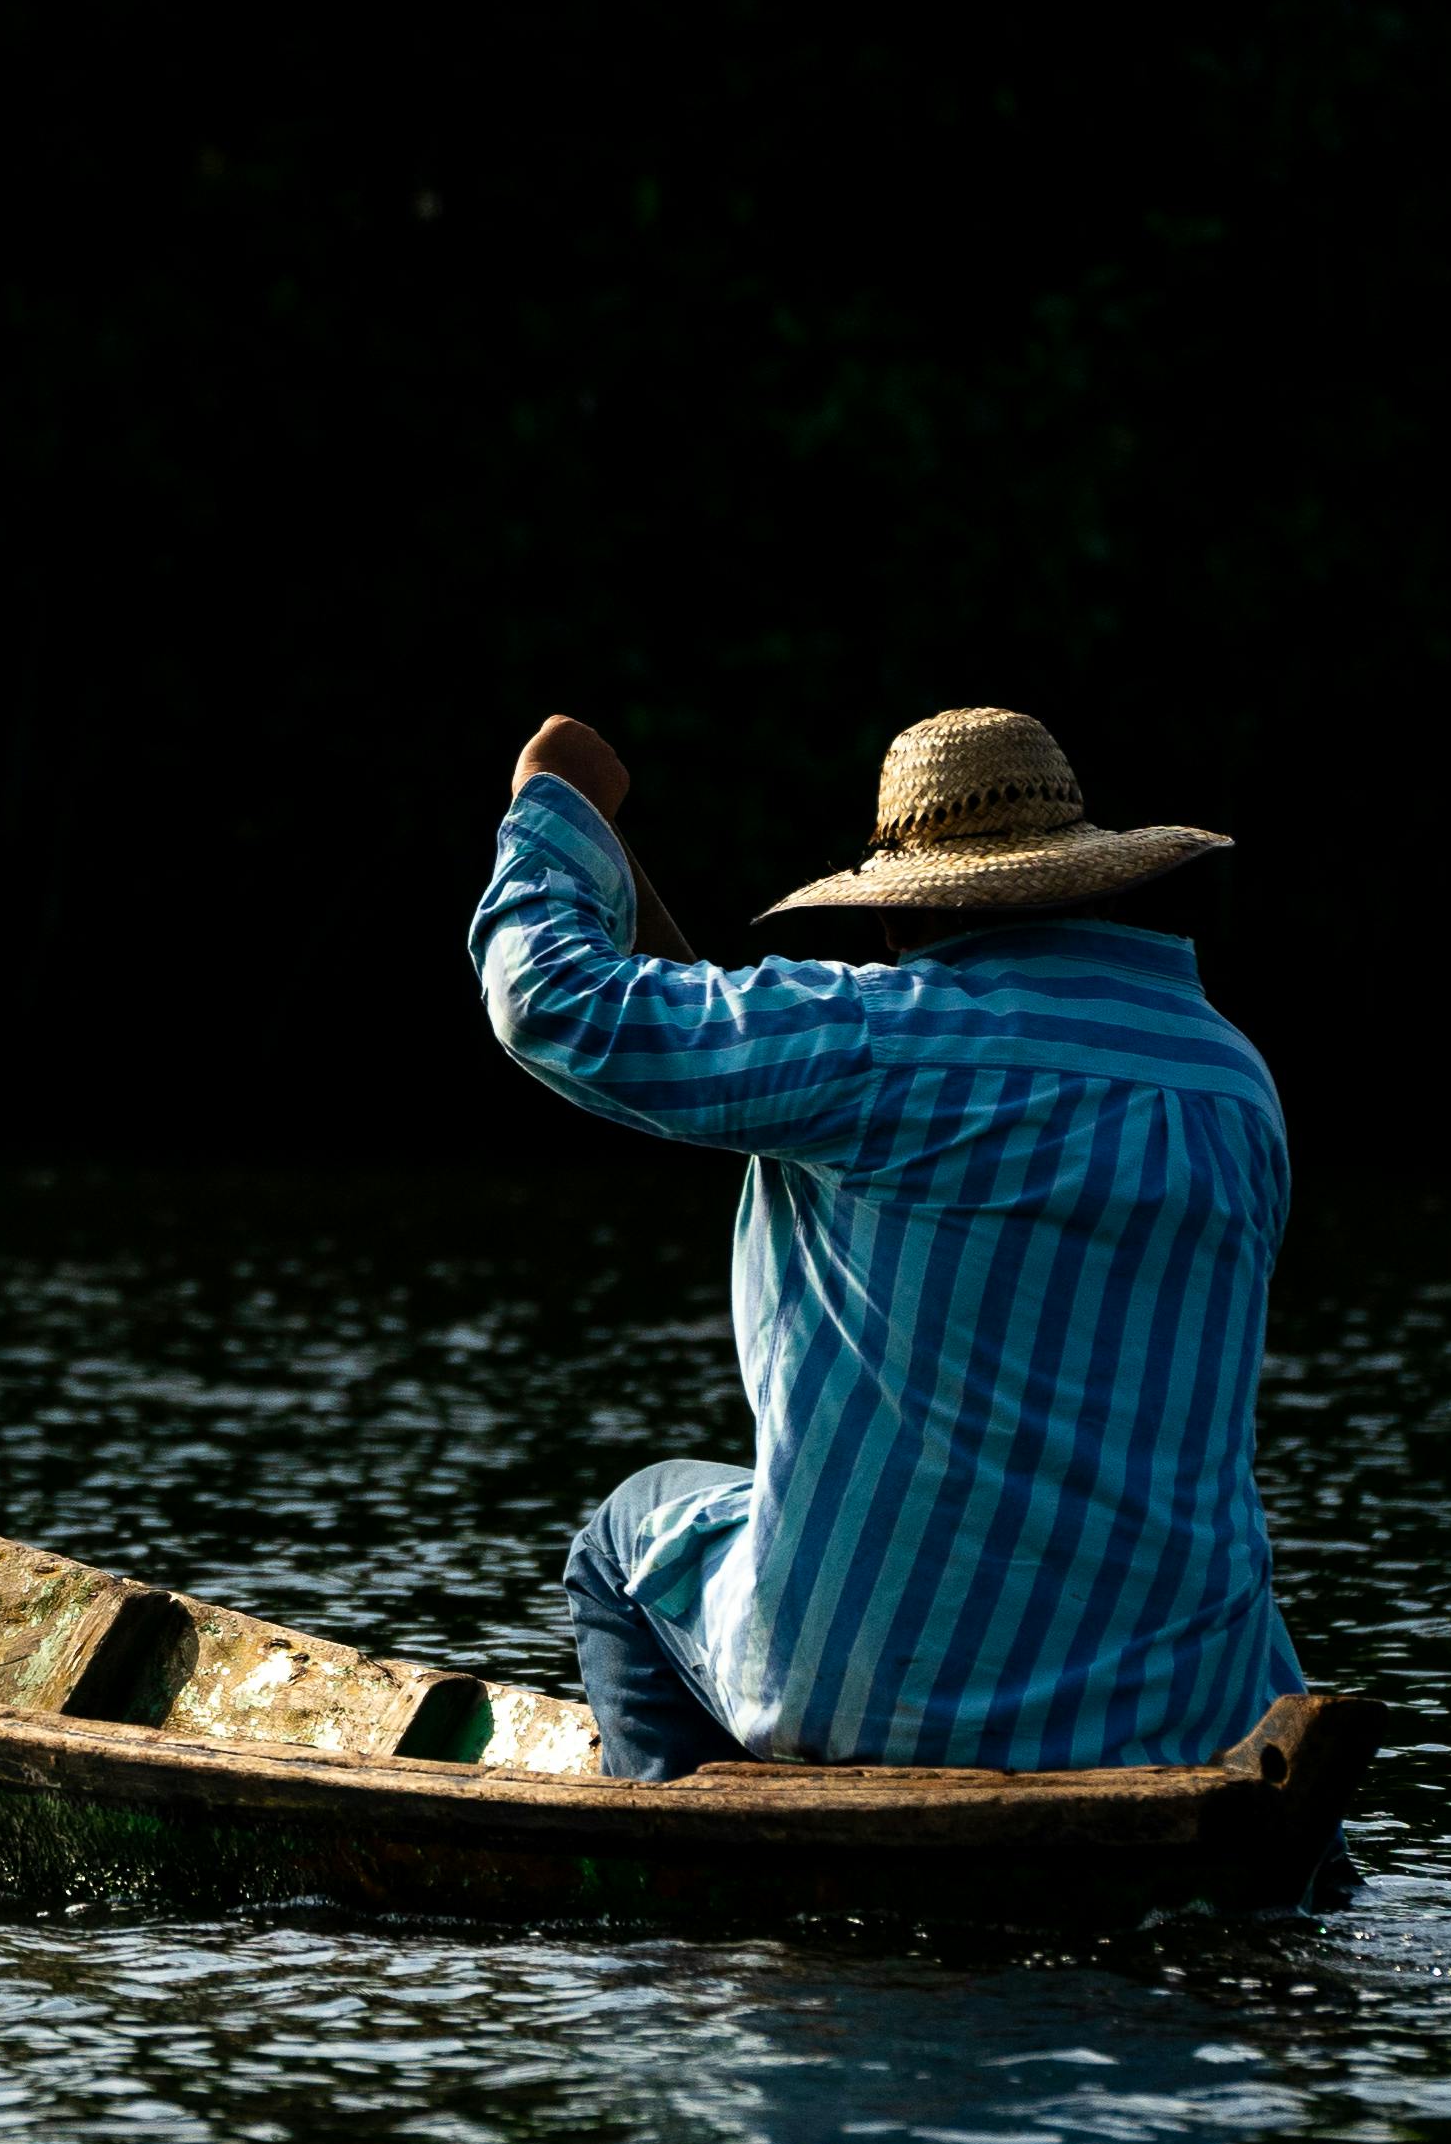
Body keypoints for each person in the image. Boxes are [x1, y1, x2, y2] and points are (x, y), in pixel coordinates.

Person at [472, 703, 1312, 1783]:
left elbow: (555, 1001)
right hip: (1192, 1707)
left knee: (622, 1538)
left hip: (898, 1703)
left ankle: (694, 1891)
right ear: (1092, 883)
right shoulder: (1230, 1077)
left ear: (895, 917)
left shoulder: (871, 1039)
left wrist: (554, 801)